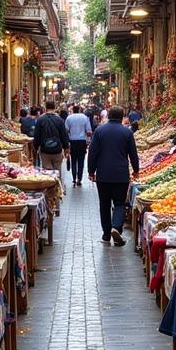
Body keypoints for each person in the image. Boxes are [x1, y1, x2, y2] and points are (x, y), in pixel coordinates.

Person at [88, 105, 139, 246]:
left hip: (103, 175)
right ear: (122, 116)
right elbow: (133, 154)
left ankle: (106, 234)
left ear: (109, 115)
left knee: (104, 204)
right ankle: (116, 228)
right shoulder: (127, 132)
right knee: (119, 203)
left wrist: (91, 171)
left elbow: (92, 152)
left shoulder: (99, 131)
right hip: (121, 174)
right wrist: (136, 169)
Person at [33, 100, 69, 175]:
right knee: (57, 172)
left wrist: (35, 148)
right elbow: (64, 135)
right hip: (57, 150)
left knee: (47, 173)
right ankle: (57, 186)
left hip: (45, 150)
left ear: (46, 107)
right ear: (55, 107)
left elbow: (37, 136)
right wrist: (66, 148)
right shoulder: (60, 120)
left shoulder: (40, 120)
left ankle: (49, 186)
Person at [64, 104, 91, 187]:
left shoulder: (69, 118)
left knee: (73, 160)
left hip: (72, 141)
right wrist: (88, 141)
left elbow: (66, 130)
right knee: (81, 160)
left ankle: (74, 178)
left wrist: (67, 141)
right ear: (79, 110)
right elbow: (89, 130)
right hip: (82, 141)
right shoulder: (84, 118)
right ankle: (79, 178)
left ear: (73, 110)